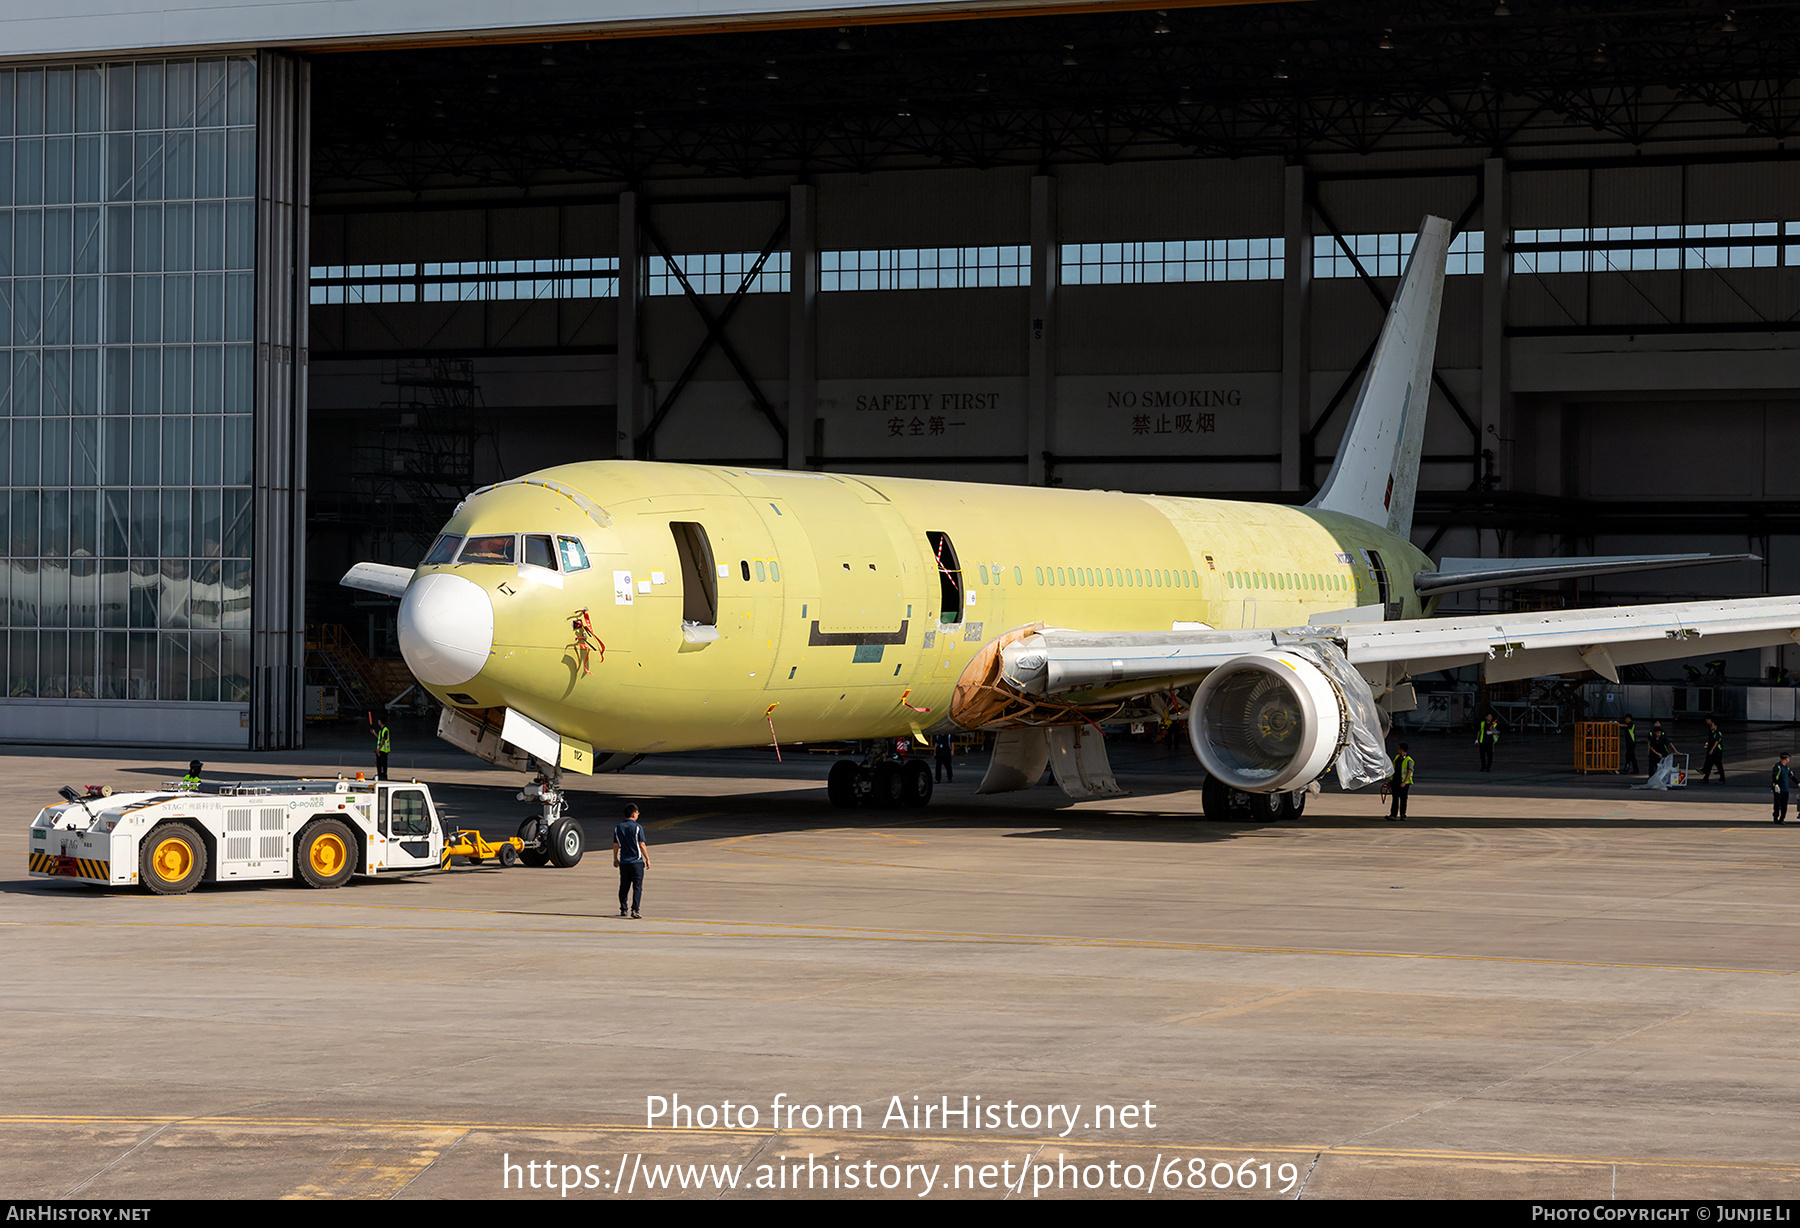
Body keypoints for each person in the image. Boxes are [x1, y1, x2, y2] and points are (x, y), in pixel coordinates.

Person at [613, 804, 650, 918]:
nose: (638, 815)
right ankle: (635, 909)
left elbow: (616, 845)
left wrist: (615, 858)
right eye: (637, 813)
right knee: (637, 886)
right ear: (634, 813)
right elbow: (642, 844)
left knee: (624, 886)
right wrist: (647, 858)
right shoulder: (638, 827)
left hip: (624, 862)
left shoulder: (618, 828)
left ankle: (623, 908)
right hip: (636, 861)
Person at [1388, 743, 1414, 822]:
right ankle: (1393, 815)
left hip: (1404, 783)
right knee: (1395, 798)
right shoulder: (1396, 758)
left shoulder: (1409, 760)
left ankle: (1403, 814)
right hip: (1395, 781)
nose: (1398, 750)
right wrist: (1390, 780)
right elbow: (1393, 769)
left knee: (1403, 799)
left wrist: (1404, 782)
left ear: (1402, 749)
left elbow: (1409, 771)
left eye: (1399, 748)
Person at [1701, 718, 1726, 782]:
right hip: (1714, 751)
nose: (1711, 726)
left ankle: (1722, 779)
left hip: (1717, 751)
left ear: (1716, 726)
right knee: (1710, 764)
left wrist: (1712, 749)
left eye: (1712, 725)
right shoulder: (1713, 732)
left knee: (1718, 765)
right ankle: (1706, 778)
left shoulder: (1717, 733)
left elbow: (1717, 742)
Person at [1772, 754, 1795, 824]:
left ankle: (1782, 818)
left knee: (1784, 805)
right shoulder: (1778, 767)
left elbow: (1792, 776)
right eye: (1788, 758)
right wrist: (1776, 784)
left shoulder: (1787, 768)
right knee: (1777, 804)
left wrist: (1798, 783)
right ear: (1785, 759)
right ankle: (1776, 817)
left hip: (1785, 789)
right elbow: (1775, 776)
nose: (1789, 760)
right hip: (1778, 789)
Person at [371, 715, 391, 782]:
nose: (378, 721)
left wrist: (379, 749)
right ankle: (380, 775)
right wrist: (374, 733)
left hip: (384, 750)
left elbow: (383, 740)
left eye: (379, 721)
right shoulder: (380, 730)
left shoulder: (385, 730)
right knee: (379, 764)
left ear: (381, 722)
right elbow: (379, 738)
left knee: (383, 764)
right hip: (380, 750)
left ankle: (384, 776)